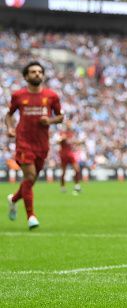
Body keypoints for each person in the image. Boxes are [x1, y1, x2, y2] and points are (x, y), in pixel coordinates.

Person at [6, 61, 63, 229]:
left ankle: (14, 199)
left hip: (42, 144)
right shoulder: (18, 96)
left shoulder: (52, 96)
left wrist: (50, 120)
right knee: (29, 177)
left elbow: (60, 117)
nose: (37, 74)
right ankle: (31, 216)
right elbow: (9, 115)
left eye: (39, 72)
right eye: (33, 72)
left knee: (31, 180)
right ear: (26, 76)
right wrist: (10, 128)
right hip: (23, 142)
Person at [58, 120, 82, 195]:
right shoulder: (62, 133)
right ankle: (62, 187)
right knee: (63, 172)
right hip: (63, 154)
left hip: (70, 154)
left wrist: (78, 142)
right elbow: (58, 141)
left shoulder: (71, 133)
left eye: (70, 124)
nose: (69, 125)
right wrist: (62, 139)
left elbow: (74, 142)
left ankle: (77, 186)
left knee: (77, 169)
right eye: (68, 124)